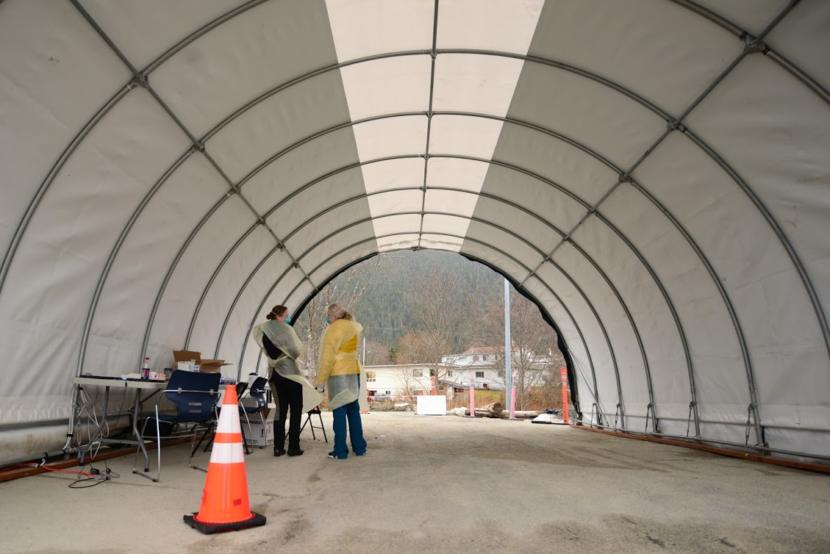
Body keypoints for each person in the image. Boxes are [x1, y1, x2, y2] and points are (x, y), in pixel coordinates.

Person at [253, 305, 321, 457]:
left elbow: (269, 351)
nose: (288, 317)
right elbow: (296, 351)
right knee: (296, 409)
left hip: (275, 374)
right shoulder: (285, 329)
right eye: (286, 314)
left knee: (280, 410)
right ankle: (293, 447)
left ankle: (278, 448)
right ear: (280, 315)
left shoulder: (264, 330)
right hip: (290, 373)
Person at [316, 303, 367, 460]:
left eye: (328, 315)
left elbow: (327, 358)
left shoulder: (333, 329)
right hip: (353, 372)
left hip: (338, 374)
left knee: (339, 412)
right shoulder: (353, 326)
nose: (327, 318)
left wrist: (320, 380)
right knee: (353, 411)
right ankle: (359, 448)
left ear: (333, 315)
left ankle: (340, 451)